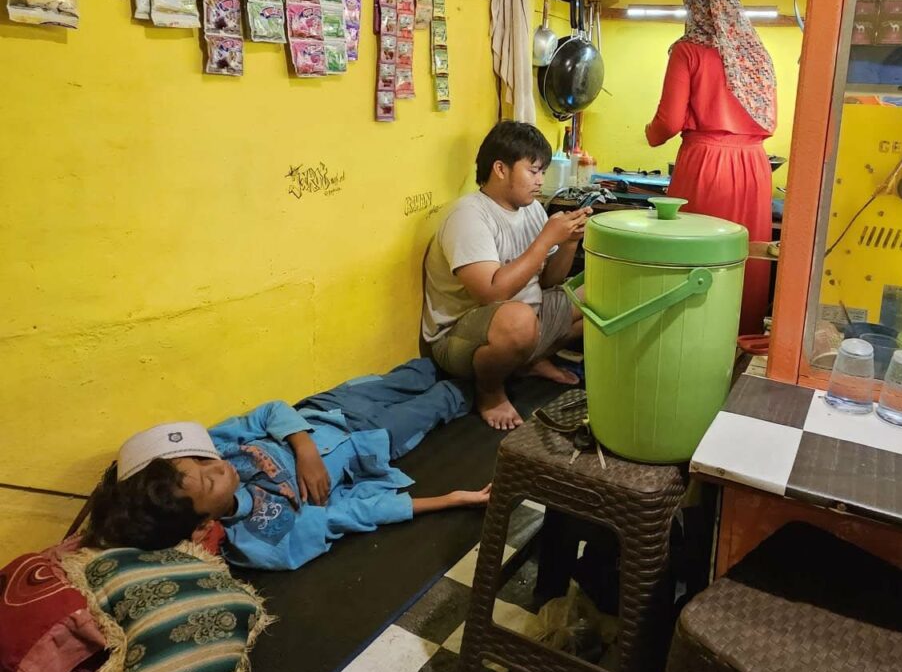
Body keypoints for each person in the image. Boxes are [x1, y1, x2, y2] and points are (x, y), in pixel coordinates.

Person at [87, 363, 488, 570]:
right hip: (371, 441)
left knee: (420, 370)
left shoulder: (212, 449)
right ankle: (506, 374)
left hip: (329, 408)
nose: (216, 467)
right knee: (449, 397)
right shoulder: (265, 539)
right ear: (203, 525)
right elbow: (346, 515)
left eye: (198, 460)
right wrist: (448, 499)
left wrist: (304, 448)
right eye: (208, 484)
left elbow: (270, 412)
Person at [422, 121, 589, 431]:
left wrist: (568, 243)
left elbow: (549, 282)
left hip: (524, 318)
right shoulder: (469, 216)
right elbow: (490, 293)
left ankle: (526, 360)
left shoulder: (532, 210)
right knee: (518, 321)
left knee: (601, 296)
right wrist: (544, 241)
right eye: (533, 171)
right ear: (500, 168)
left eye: (542, 172)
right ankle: (489, 393)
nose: (541, 180)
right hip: (461, 338)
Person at [646, 0, 777, 336]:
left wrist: (650, 135)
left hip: (706, 165)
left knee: (695, 255)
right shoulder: (755, 54)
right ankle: (741, 343)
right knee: (746, 257)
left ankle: (690, 341)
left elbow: (667, 123)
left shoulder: (688, 51)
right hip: (753, 168)